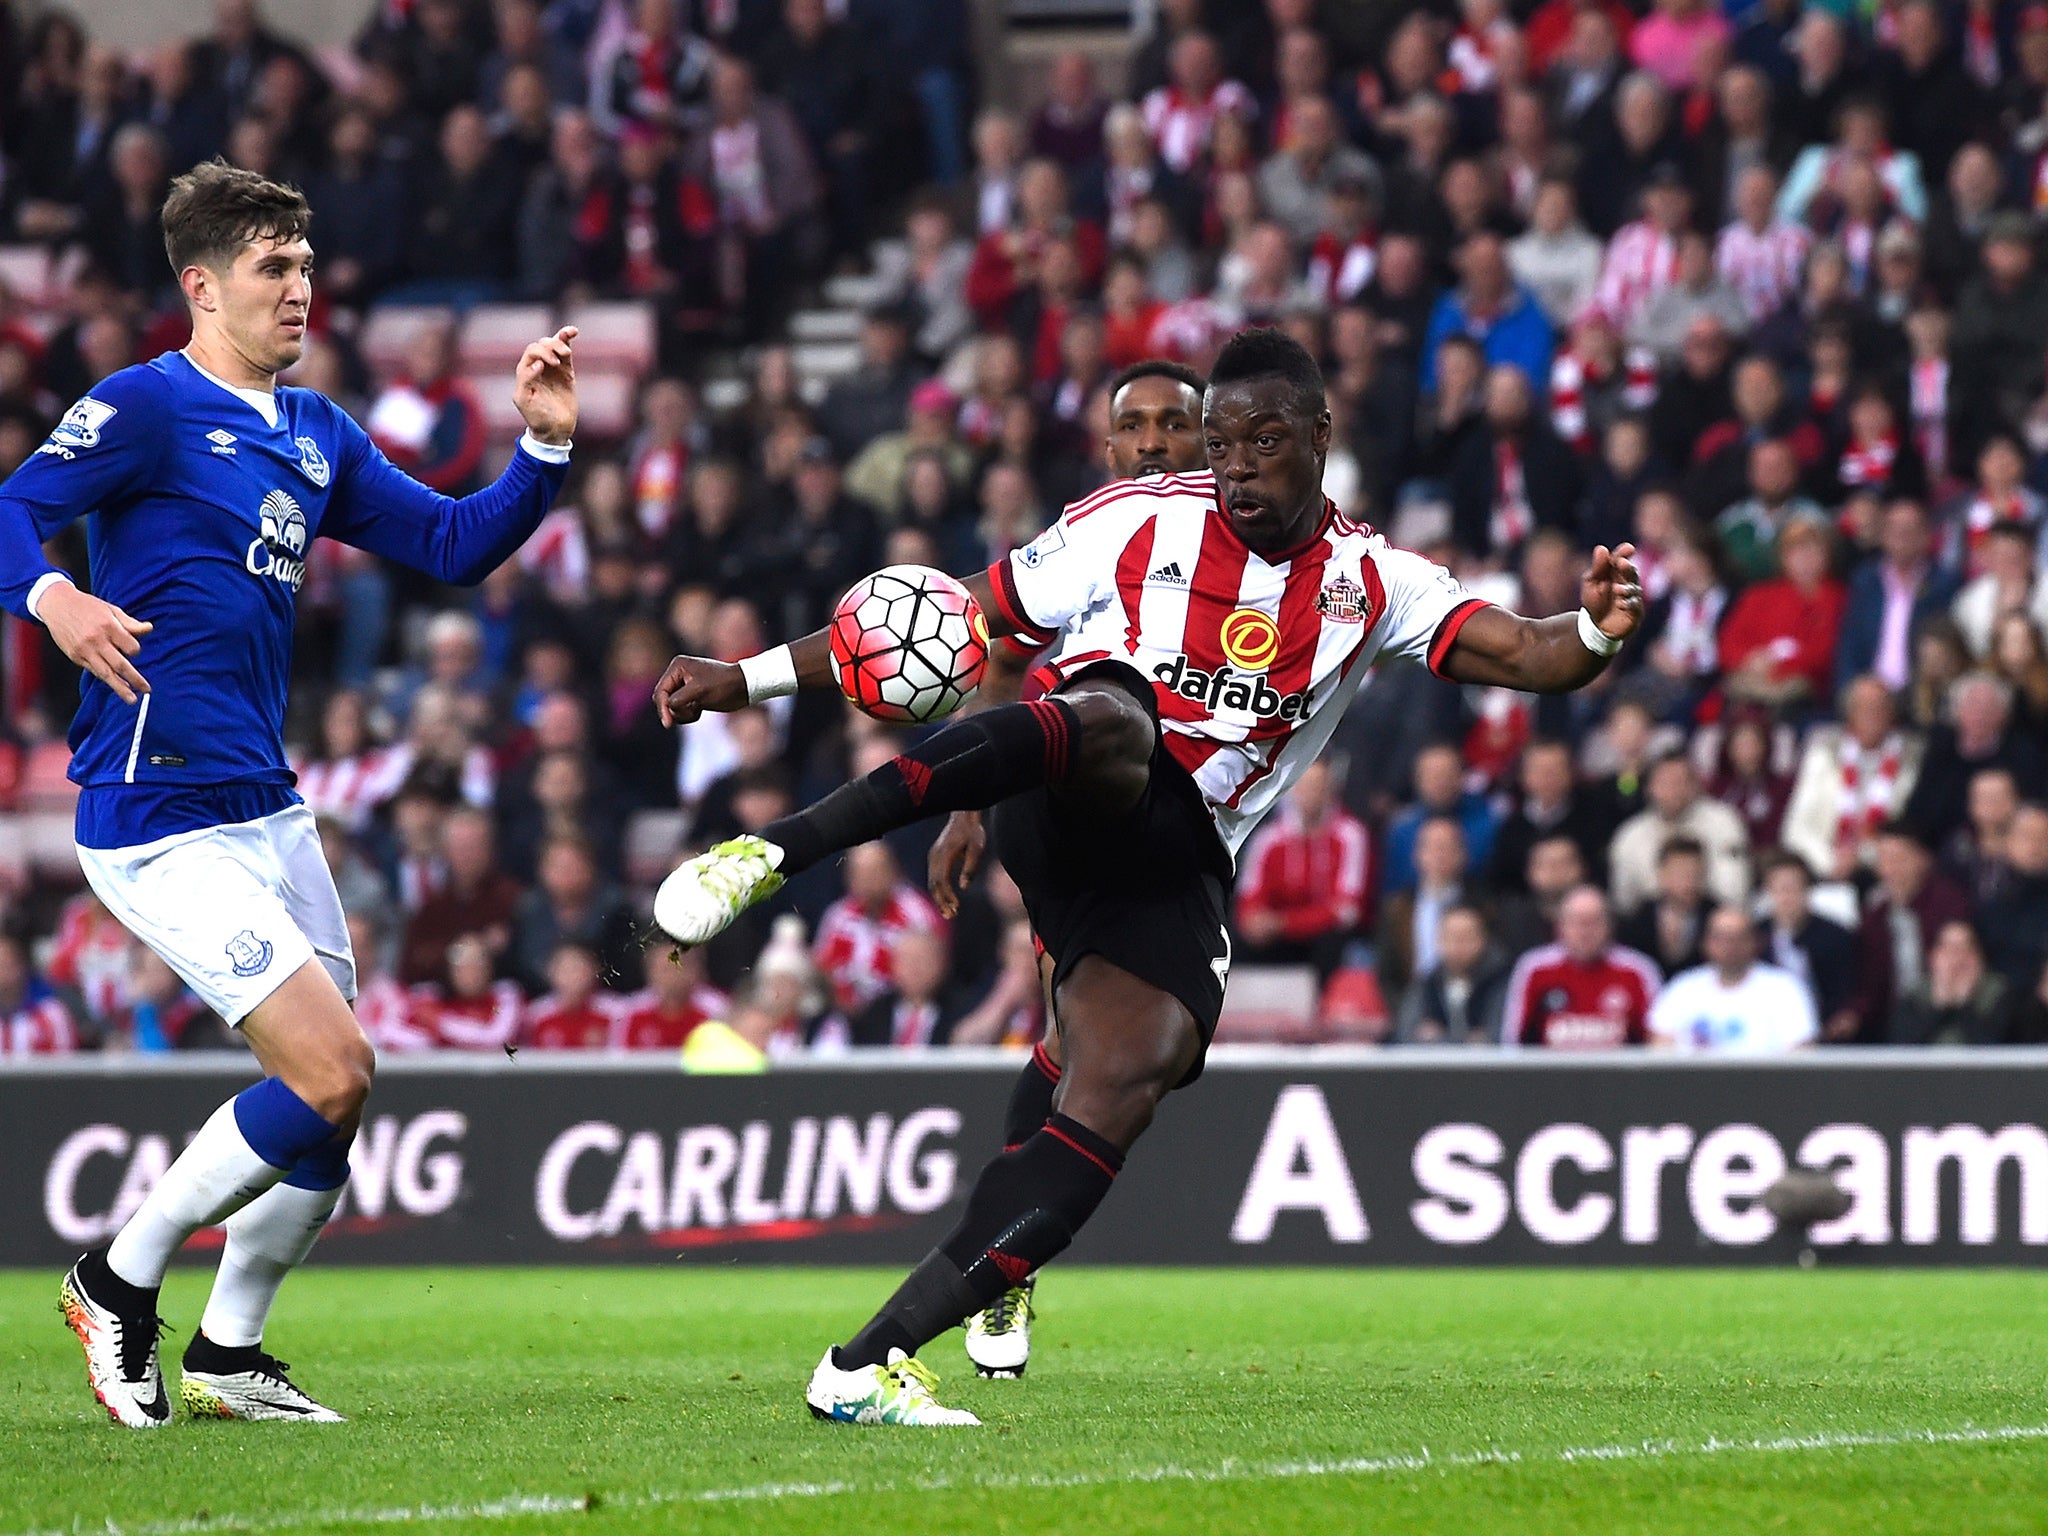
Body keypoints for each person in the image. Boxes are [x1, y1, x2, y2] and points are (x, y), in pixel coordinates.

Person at [650, 327, 1646, 1425]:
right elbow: (945, 621)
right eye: (1220, 443)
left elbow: (1525, 651)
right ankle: (773, 852)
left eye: (1263, 440)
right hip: (1068, 784)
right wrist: (744, 681)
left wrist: (1593, 633)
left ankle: (861, 1366)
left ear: (1318, 437)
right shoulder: (1128, 521)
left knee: (1128, 1075)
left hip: (1175, 858)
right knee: (1115, 718)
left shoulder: (1372, 580)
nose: (1236, 466)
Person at [1, 162, 578, 1428]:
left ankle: (231, 1352)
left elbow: (449, 544)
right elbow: (11, 509)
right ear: (201, 288)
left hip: (266, 803)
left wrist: (540, 442)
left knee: (341, 1094)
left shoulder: (315, 434)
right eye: (273, 268)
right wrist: (55, 596)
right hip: (155, 808)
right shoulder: (146, 408)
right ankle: (116, 1277)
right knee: (331, 1068)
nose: (300, 289)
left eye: (307, 266)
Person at [1499, 884, 1661, 1048]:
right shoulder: (1534, 969)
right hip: (1552, 1072)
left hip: (1620, 1072)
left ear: (1610, 925)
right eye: (1577, 922)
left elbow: (1658, 1041)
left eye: (1593, 922)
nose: (1585, 932)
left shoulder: (1637, 970)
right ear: (1559, 926)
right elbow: (1512, 1042)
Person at [1649, 903, 1818, 1052]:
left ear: (1755, 942)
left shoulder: (1784, 989)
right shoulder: (1682, 988)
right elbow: (1660, 1047)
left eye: (1739, 937)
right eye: (1721, 938)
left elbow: (1800, 1052)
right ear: (1706, 943)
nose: (1730, 946)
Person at [1754, 851, 1858, 1042]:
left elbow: (1847, 990)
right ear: (1768, 891)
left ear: (1807, 890)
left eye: (1794, 888)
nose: (1787, 897)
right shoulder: (1755, 937)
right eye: (1780, 889)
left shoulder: (1836, 937)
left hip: (1824, 1035)